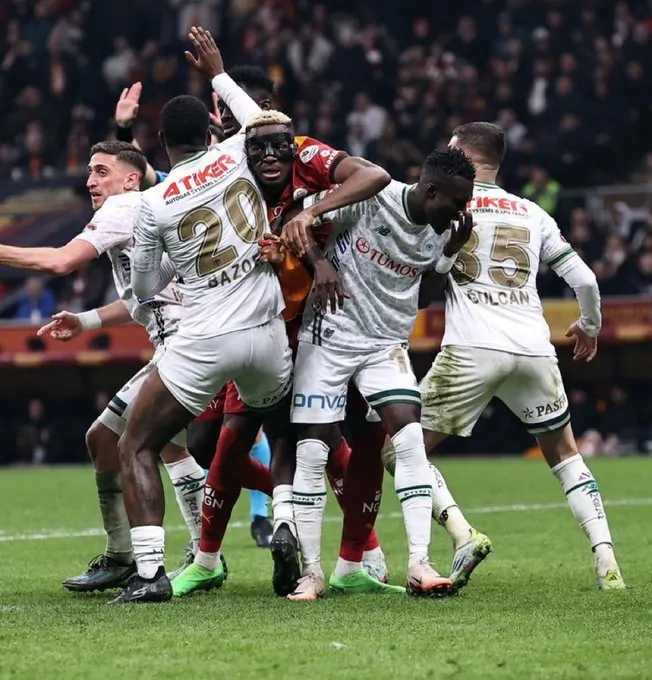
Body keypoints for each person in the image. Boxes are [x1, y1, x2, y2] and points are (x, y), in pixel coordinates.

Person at [386, 121, 625, 591]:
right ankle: (608, 563)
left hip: (472, 348)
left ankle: (463, 533)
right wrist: (589, 325)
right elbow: (585, 280)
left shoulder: (446, 202)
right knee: (566, 456)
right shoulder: (533, 213)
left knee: (399, 451)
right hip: (534, 349)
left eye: (451, 149)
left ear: (464, 156)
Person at [171, 107, 392, 598]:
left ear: (294, 144)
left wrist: (308, 231)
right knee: (210, 441)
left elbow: (373, 176)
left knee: (310, 436)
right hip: (244, 328)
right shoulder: (226, 180)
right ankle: (289, 517)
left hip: (313, 330)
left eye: (279, 146)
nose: (269, 155)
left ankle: (357, 553)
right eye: (255, 145)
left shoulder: (309, 171)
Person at [108, 26, 294, 604]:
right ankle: (286, 522)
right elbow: (262, 123)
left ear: (162, 141)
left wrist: (173, 266)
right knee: (281, 431)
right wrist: (218, 72)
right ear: (210, 131)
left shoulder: (153, 202)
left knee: (136, 444)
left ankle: (149, 574)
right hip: (267, 330)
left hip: (206, 336)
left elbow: (144, 286)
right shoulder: (239, 152)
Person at [0, 141, 207, 593]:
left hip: (182, 347)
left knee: (129, 442)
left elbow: (60, 261)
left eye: (101, 172)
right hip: (187, 341)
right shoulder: (145, 211)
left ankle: (171, 558)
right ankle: (193, 555)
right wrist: (86, 321)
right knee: (149, 445)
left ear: (131, 179)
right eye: (90, 172)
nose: (90, 181)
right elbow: (143, 298)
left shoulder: (122, 208)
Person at [278, 147, 477, 601]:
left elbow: (423, 296)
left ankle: (419, 565)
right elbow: (296, 222)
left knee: (409, 438)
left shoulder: (442, 229)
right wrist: (320, 263)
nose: (462, 210)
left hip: (385, 344)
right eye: (457, 200)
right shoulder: (372, 197)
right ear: (431, 191)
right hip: (329, 337)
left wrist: (449, 253)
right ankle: (312, 573)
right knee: (312, 450)